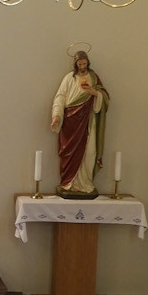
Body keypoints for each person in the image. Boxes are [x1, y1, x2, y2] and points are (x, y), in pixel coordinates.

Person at [50, 46, 108, 198]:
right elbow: (60, 97)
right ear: (76, 64)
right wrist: (57, 116)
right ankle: (69, 183)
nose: (82, 66)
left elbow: (104, 97)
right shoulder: (69, 78)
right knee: (70, 153)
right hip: (71, 121)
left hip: (88, 121)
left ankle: (85, 183)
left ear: (88, 63)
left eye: (84, 63)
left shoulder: (93, 78)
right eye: (79, 64)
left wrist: (95, 93)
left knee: (89, 152)